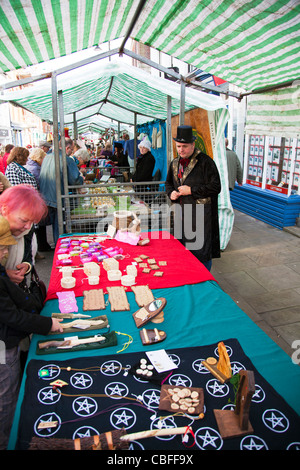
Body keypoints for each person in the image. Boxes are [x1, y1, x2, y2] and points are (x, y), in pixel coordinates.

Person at [0, 216, 63, 450]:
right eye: (3, 246)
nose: (7, 251)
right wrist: (46, 325)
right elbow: (12, 316)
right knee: (6, 397)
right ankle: (7, 441)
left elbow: (16, 301)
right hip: (4, 346)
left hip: (7, 342)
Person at [165, 125, 221, 271]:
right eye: (178, 146)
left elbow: (216, 187)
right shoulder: (175, 163)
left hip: (201, 217)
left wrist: (192, 190)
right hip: (181, 215)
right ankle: (188, 277)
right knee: (183, 250)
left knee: (201, 252)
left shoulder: (206, 162)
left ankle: (204, 281)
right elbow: (168, 183)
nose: (181, 149)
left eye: (184, 146)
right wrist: (170, 192)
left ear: (193, 145)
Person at [0, 185, 48, 284]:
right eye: (23, 220)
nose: (28, 226)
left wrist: (26, 266)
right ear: (5, 210)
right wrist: (4, 275)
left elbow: (28, 255)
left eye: (32, 222)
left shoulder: (27, 228)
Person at [39, 138, 84, 244]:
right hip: (57, 197)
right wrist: (82, 178)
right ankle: (60, 252)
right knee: (59, 228)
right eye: (71, 149)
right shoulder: (66, 159)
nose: (71, 152)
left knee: (56, 225)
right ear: (67, 148)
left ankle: (57, 248)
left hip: (46, 196)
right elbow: (75, 180)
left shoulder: (47, 157)